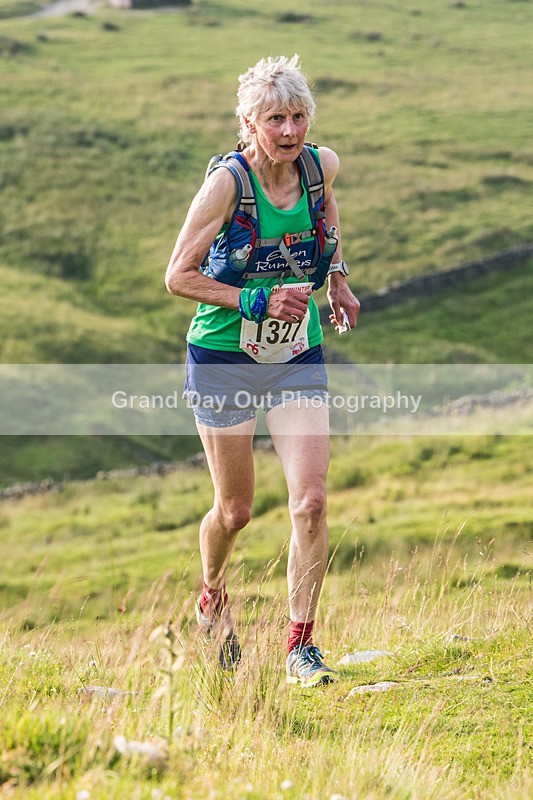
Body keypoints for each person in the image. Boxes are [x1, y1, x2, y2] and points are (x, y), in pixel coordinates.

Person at [165, 54, 360, 686]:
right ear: (249, 123)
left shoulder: (320, 168)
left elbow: (327, 213)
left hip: (294, 354)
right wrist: (255, 300)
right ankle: (212, 595)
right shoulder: (226, 186)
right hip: (223, 356)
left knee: (311, 502)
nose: (289, 130)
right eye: (275, 118)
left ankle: (301, 644)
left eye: (298, 116)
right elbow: (178, 276)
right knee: (235, 511)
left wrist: (336, 276)